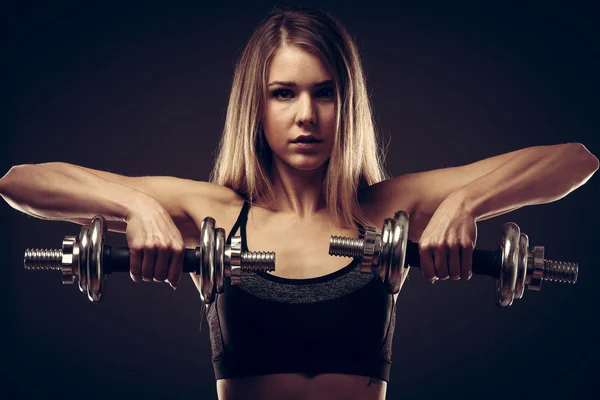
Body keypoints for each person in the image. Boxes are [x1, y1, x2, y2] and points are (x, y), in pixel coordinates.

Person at [0, 6, 597, 400]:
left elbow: (576, 161)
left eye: (324, 93)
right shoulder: (214, 210)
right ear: (255, 109)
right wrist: (134, 206)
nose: (306, 116)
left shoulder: (387, 209)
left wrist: (468, 200)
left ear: (348, 103)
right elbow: (21, 182)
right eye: (283, 94)